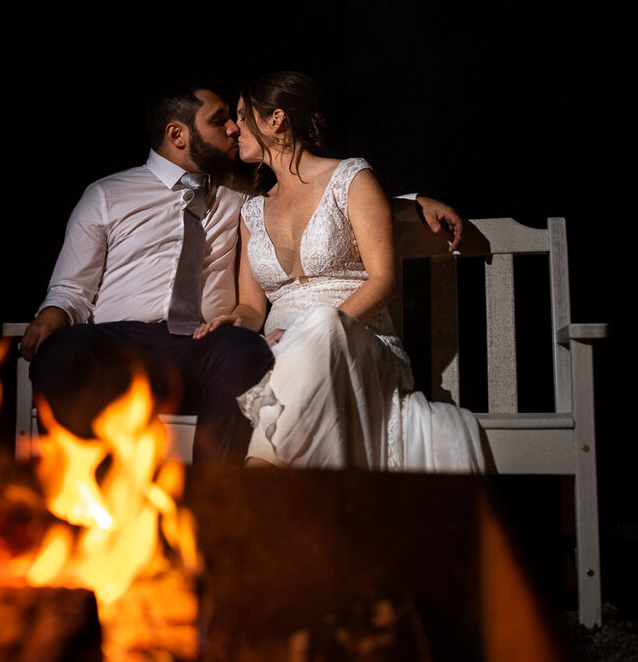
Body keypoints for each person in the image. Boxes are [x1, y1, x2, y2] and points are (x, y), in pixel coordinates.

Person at [21, 75, 465, 466]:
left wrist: (412, 202)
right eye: (220, 120)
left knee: (243, 352)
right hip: (122, 339)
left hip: (208, 345)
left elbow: (333, 196)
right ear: (178, 133)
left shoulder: (236, 198)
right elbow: (70, 288)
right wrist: (53, 313)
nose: (233, 128)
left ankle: (222, 493)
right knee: (60, 353)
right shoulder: (110, 195)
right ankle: (87, 490)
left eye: (237, 117)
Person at [197, 70, 484, 471]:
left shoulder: (351, 177)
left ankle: (258, 480)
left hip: (358, 344)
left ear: (275, 119)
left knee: (322, 327)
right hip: (281, 352)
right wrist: (234, 321)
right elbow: (252, 308)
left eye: (243, 116)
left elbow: (383, 281)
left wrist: (304, 332)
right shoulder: (252, 211)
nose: (234, 128)